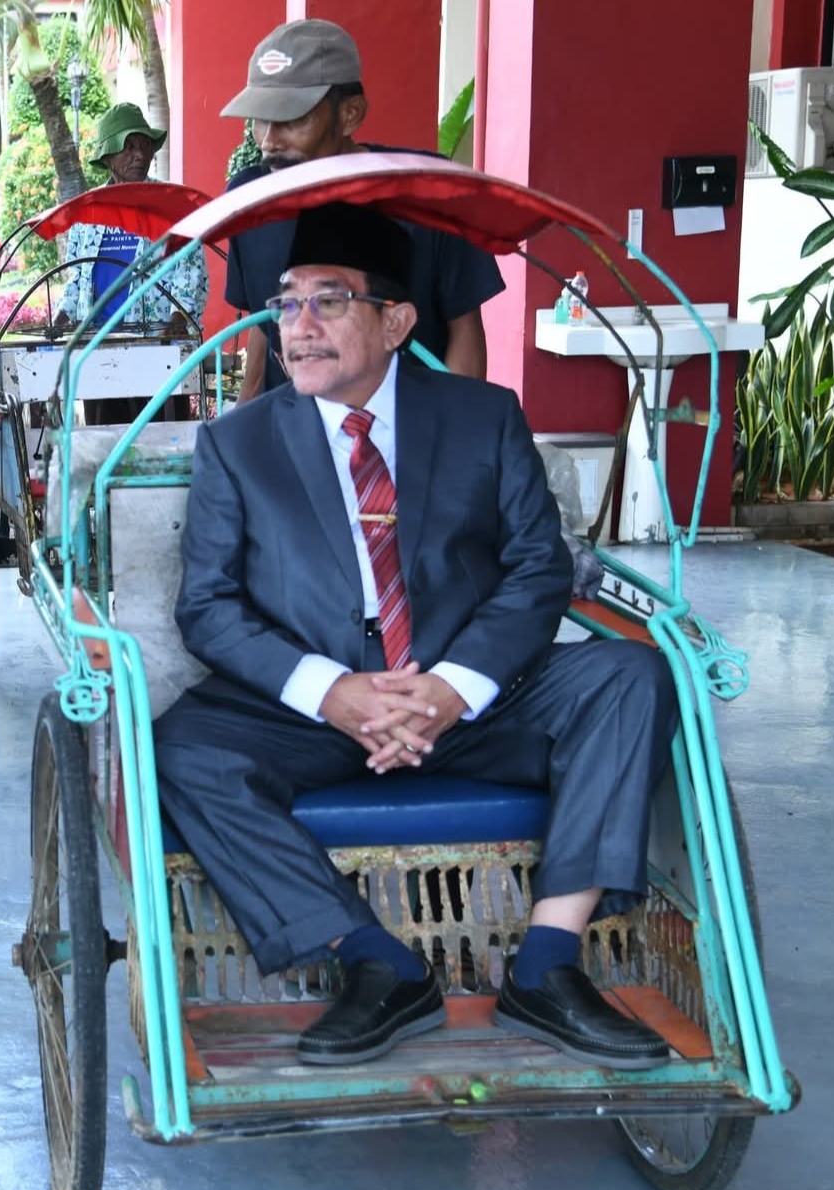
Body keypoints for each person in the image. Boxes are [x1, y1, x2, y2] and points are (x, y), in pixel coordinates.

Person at [152, 204, 677, 1071]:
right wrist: (332, 692)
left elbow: (538, 570)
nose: (299, 327)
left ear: (396, 321)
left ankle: (548, 964)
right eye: (286, 303)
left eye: (329, 301)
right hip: (315, 712)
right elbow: (207, 608)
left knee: (632, 677)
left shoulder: (483, 417)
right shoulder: (239, 444)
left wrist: (451, 688)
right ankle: (375, 962)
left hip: (474, 700)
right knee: (179, 749)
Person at [221, 20, 505, 399]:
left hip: (408, 425)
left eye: (292, 119)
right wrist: (244, 419)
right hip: (294, 428)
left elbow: (464, 331)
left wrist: (459, 428)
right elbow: (263, 327)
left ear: (350, 114)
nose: (269, 141)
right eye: (260, 120)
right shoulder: (249, 199)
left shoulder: (429, 191)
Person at [52, 102, 208, 424]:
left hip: (159, 351)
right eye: (128, 146)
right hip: (100, 352)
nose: (139, 155)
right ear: (108, 156)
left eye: (144, 145)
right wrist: (64, 314)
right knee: (104, 441)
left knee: (162, 442)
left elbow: (191, 272)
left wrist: (177, 320)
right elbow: (77, 277)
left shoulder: (169, 206)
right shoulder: (89, 210)